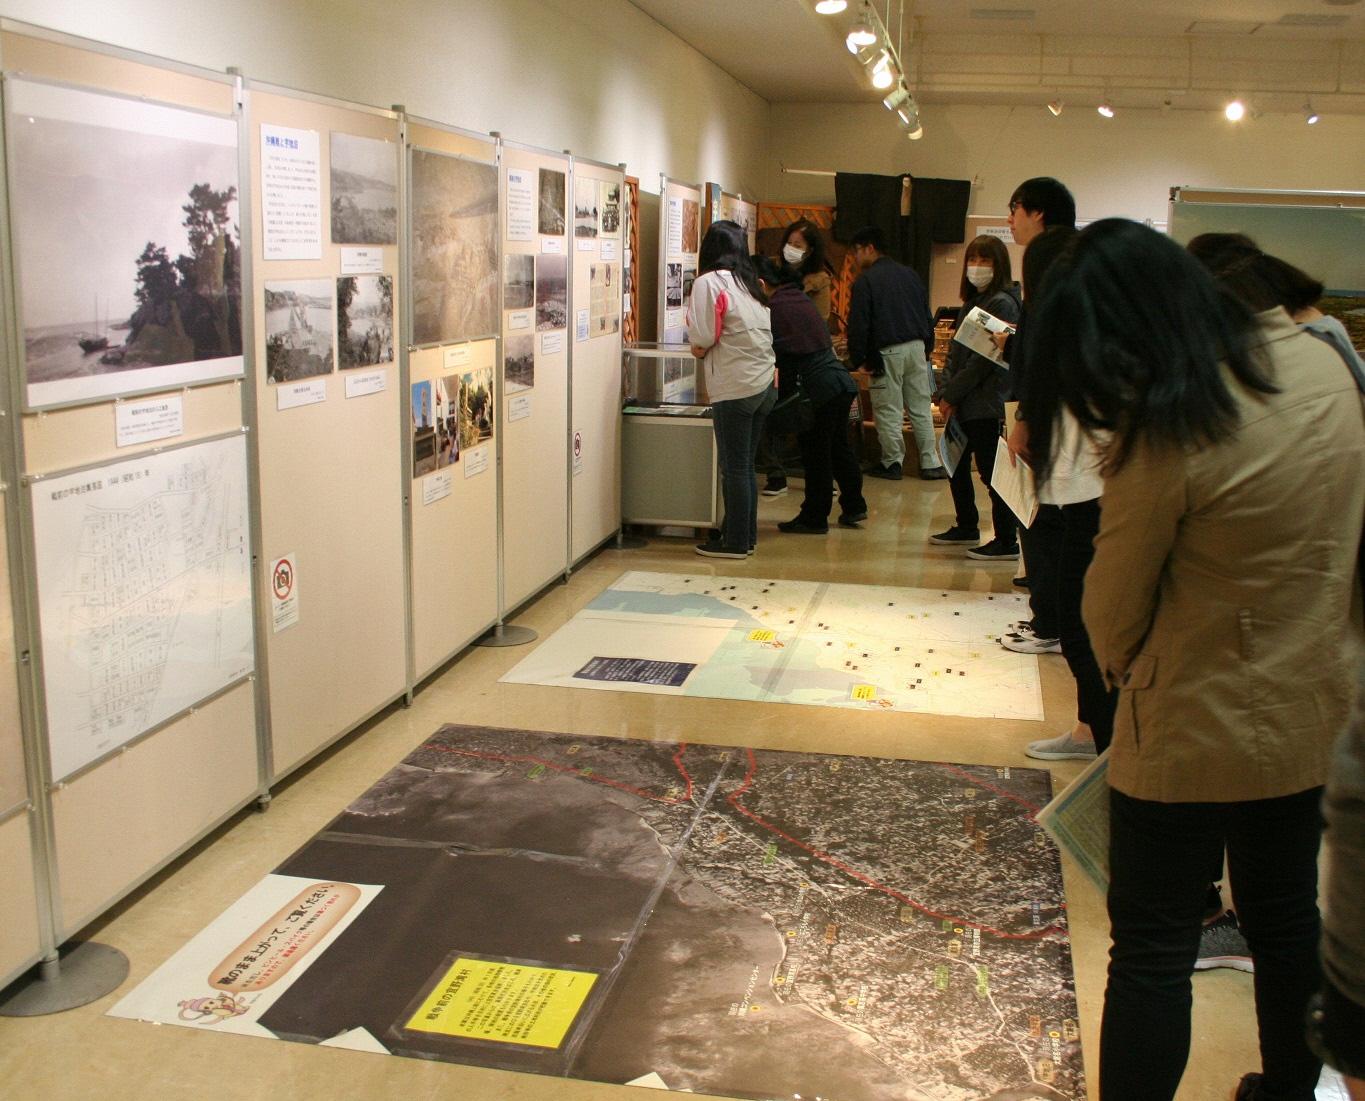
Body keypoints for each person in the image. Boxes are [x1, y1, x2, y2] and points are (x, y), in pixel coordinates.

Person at [1028, 218, 1365, 1101]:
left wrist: (1130, 672)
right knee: (1288, 920)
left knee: (1150, 946)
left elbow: (1110, 607)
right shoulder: (1321, 365)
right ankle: (1289, 1091)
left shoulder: (1174, 419)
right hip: (1307, 709)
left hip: (1188, 722)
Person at [998, 177, 1077, 659]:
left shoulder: (1050, 256)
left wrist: (1026, 414)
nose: (1010, 220)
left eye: (1014, 209)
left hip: (1048, 416)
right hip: (1066, 416)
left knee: (1042, 517)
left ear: (1038, 212)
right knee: (1056, 519)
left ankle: (1050, 620)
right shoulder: (1073, 253)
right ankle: (1055, 617)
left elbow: (1046, 345)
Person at [752, 254, 866, 533]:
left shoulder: (775, 308)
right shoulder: (796, 297)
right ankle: (855, 506)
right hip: (838, 382)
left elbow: (777, 353)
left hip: (818, 389)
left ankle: (814, 517)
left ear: (761, 283)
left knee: (816, 453)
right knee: (839, 447)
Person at [688, 219, 777, 559]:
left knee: (734, 467)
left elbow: (703, 337)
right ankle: (745, 536)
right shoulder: (751, 283)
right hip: (763, 385)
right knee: (746, 466)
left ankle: (736, 542)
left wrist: (698, 347)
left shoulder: (708, 283)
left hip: (735, 387)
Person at [929, 234, 1021, 559]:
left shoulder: (1002, 303)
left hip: (987, 402)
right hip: (965, 401)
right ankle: (966, 523)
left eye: (985, 261)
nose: (977, 267)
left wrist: (950, 394)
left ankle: (1006, 539)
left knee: (991, 472)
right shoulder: (973, 301)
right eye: (973, 260)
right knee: (955, 463)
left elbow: (981, 362)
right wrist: (944, 392)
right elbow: (956, 354)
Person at [845, 225, 946, 481]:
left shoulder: (865, 281)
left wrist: (860, 358)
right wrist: (927, 348)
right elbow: (926, 314)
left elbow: (860, 324)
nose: (855, 258)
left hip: (886, 352)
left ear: (869, 248)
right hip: (917, 348)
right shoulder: (911, 275)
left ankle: (892, 463)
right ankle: (930, 462)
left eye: (857, 251)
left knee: (888, 409)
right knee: (920, 407)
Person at [755, 220, 832, 498]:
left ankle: (820, 479)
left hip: (805, 357)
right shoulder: (771, 268)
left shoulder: (820, 281)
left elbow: (821, 320)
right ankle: (776, 474)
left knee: (807, 418)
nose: (791, 249)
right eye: (790, 242)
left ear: (810, 250)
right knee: (769, 413)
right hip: (773, 354)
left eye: (799, 245)